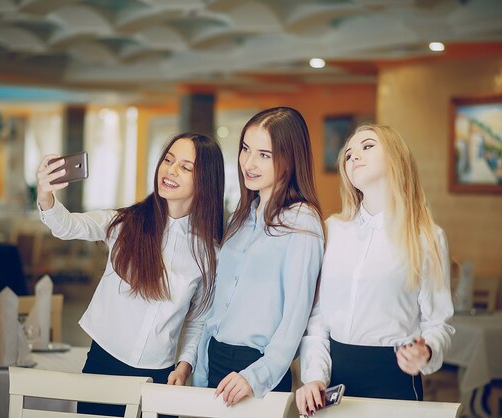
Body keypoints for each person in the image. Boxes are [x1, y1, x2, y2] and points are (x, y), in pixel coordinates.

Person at [36, 133, 225, 417]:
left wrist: (184, 366)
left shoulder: (209, 252)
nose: (170, 170)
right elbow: (68, 226)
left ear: (206, 181)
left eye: (185, 167)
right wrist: (45, 193)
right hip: (104, 364)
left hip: (162, 375)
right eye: (168, 160)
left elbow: (198, 321)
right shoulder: (125, 223)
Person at [296, 124, 455, 416]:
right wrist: (314, 377)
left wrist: (427, 352)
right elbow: (318, 319)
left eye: (367, 146)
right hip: (334, 380)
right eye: (348, 153)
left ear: (396, 158)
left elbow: (438, 324)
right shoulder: (332, 230)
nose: (354, 155)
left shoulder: (427, 237)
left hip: (394, 380)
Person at [192, 107, 325, 405]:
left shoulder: (303, 221)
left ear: (290, 159)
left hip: (256, 372)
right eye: (245, 149)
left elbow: (295, 318)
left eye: (264, 155)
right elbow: (217, 306)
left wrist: (257, 376)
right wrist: (200, 371)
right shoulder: (239, 219)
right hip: (214, 362)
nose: (249, 163)